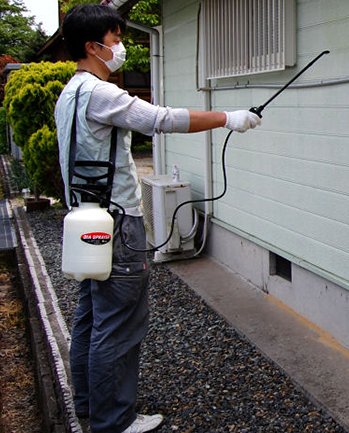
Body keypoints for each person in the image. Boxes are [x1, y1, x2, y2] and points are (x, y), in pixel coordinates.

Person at [54, 4, 261, 433]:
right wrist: (229, 118)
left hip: (84, 220)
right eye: (114, 40)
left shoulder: (69, 93)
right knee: (118, 325)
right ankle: (114, 421)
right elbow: (160, 120)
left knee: (91, 317)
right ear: (93, 47)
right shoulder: (102, 93)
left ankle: (90, 405)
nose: (120, 48)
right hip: (116, 224)